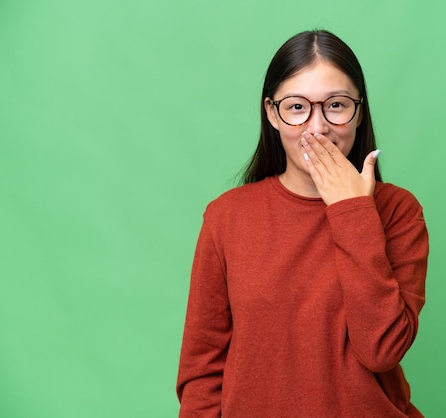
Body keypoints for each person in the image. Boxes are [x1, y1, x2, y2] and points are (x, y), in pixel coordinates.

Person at [176, 29, 429, 417]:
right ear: (271, 113)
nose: (317, 127)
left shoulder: (398, 211)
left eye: (337, 105)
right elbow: (202, 372)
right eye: (297, 107)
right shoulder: (226, 217)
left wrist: (352, 211)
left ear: (359, 112)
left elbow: (381, 350)